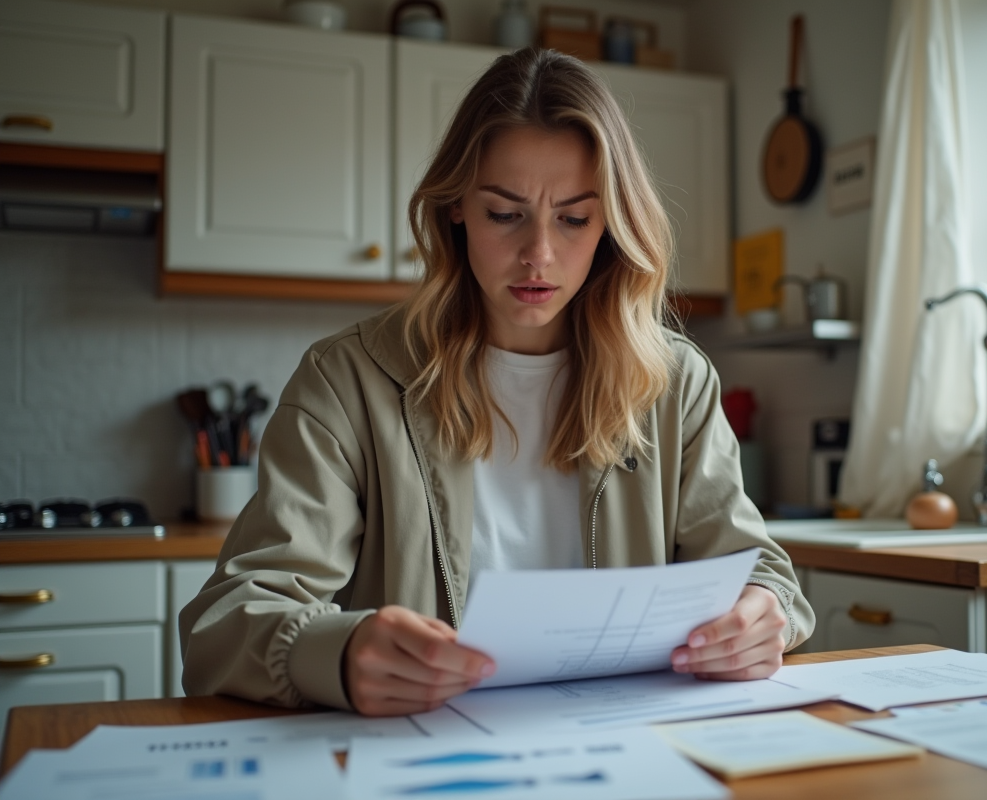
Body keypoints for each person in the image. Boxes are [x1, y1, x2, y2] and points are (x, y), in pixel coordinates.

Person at [180, 48, 814, 716]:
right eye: (504, 214)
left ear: (612, 225)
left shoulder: (674, 382)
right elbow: (224, 625)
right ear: (455, 208)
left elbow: (761, 574)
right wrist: (338, 652)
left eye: (574, 218)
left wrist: (760, 614)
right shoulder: (347, 380)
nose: (539, 253)